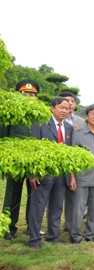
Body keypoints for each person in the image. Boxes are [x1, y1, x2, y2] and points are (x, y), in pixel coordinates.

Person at [27, 96, 73, 249]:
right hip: (43, 174)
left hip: (62, 174)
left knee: (56, 206)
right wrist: (32, 174)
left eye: (67, 108)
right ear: (52, 108)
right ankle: (34, 239)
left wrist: (71, 175)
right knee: (38, 206)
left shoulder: (69, 128)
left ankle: (53, 236)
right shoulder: (40, 124)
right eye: (62, 107)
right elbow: (32, 150)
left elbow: (70, 153)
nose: (65, 111)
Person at [1, 79, 40, 240]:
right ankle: (8, 228)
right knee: (12, 194)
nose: (29, 97)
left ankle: (32, 226)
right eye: (26, 94)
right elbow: (3, 138)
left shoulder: (40, 114)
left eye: (32, 94)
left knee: (34, 195)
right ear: (19, 94)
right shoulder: (11, 114)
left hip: (36, 161)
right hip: (16, 162)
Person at [69, 105, 94, 243]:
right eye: (92, 114)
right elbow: (72, 157)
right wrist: (72, 177)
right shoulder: (78, 133)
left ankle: (90, 234)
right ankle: (75, 235)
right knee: (78, 208)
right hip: (82, 177)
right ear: (87, 116)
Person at [59, 91, 86, 232]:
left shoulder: (81, 122)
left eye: (72, 101)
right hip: (57, 163)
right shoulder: (52, 120)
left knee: (71, 196)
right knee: (55, 198)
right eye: (66, 101)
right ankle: (53, 224)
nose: (69, 104)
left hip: (73, 165)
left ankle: (69, 224)